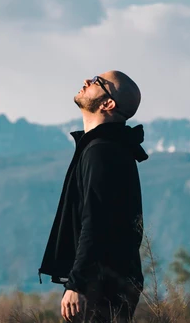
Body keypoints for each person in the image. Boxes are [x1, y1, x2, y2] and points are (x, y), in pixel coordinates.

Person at [38, 70, 149, 322]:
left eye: (98, 82)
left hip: (101, 285)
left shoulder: (102, 151)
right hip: (106, 281)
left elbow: (96, 221)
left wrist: (78, 283)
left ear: (108, 104)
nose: (87, 81)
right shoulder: (107, 147)